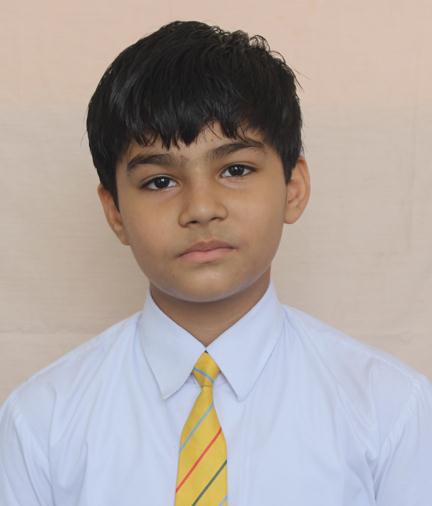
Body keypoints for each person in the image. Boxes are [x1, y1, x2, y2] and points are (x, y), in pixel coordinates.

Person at [0, 19, 431, 506]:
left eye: (236, 169)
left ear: (293, 188)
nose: (201, 208)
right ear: (115, 211)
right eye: (160, 181)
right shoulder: (41, 423)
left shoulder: (389, 410)